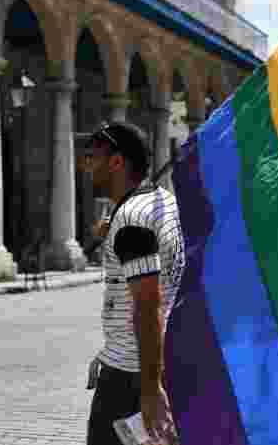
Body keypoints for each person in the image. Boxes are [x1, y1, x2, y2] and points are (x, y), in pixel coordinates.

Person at [82, 121, 184, 445]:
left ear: (116, 162)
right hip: (153, 361)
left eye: (93, 158)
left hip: (131, 380)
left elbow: (147, 304)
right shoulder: (162, 201)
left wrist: (150, 390)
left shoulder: (132, 223)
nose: (87, 166)